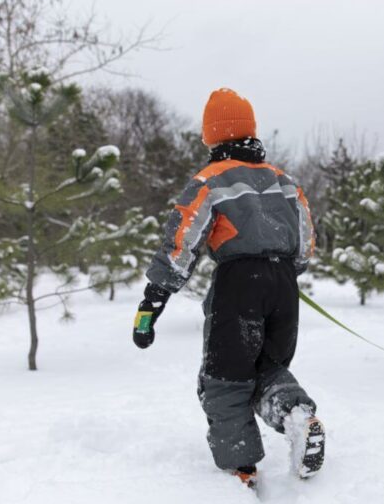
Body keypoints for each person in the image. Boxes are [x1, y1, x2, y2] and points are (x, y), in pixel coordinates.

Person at [132, 88, 324, 487]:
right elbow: (306, 242)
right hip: (284, 287)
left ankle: (241, 471)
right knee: (269, 368)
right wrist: (283, 273)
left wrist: (152, 302)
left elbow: (182, 241)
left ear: (212, 136)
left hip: (239, 286)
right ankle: (295, 414)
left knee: (225, 379)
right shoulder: (284, 181)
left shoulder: (210, 180)